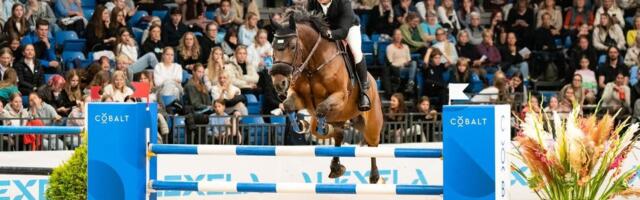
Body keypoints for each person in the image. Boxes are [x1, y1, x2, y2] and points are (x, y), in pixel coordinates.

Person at [307, 0, 372, 110]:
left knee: (356, 52)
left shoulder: (343, 2)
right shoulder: (312, 2)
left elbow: (343, 31)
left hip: (348, 28)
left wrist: (328, 33)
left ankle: (363, 91)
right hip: (326, 29)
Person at [383, 29, 416, 95]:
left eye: (400, 34)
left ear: (402, 36)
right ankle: (410, 82)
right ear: (393, 36)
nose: (398, 36)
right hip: (396, 68)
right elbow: (390, 62)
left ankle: (410, 82)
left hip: (406, 67)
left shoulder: (406, 47)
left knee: (414, 62)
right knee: (412, 69)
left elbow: (409, 60)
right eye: (396, 34)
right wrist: (401, 64)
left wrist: (406, 63)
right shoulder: (390, 47)